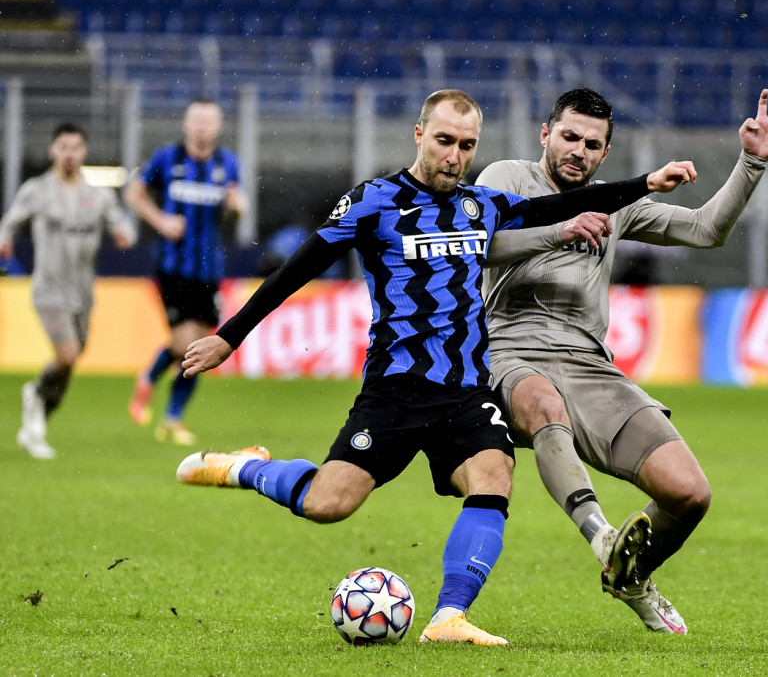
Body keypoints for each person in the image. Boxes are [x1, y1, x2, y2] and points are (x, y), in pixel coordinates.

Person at [171, 89, 696, 645]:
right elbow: (295, 271)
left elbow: (563, 205)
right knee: (328, 503)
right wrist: (228, 337)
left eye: (467, 146)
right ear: (419, 135)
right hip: (397, 387)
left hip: (466, 389)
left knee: (494, 475)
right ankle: (248, 469)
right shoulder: (373, 202)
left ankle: (449, 616)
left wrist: (645, 183)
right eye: (445, 141)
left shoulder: (480, 206)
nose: (454, 156)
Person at [476, 87, 768, 633]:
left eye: (592, 144)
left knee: (689, 493)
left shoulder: (616, 201)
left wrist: (751, 163)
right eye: (569, 137)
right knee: (542, 403)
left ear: (605, 153)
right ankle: (602, 536)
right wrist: (559, 231)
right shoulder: (506, 178)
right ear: (545, 134)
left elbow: (706, 229)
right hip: (511, 348)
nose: (578, 150)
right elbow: (476, 244)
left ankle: (631, 575)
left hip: (589, 363)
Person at [0, 123, 136, 459]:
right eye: (63, 147)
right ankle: (34, 395)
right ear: (53, 151)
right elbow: (9, 222)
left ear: (84, 151)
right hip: (49, 289)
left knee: (70, 361)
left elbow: (122, 224)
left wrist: (124, 234)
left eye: (75, 147)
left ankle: (36, 420)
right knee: (67, 354)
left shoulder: (99, 195)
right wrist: (4, 240)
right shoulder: (37, 190)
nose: (69, 154)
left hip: (82, 293)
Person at [123, 98, 249, 445]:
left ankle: (172, 418)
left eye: (209, 121)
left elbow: (237, 204)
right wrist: (160, 220)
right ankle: (149, 378)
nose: (202, 127)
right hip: (172, 266)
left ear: (218, 127)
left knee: (199, 349)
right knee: (185, 344)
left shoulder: (227, 163)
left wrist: (237, 208)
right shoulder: (168, 157)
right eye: (197, 120)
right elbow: (133, 194)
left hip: (209, 269)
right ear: (187, 124)